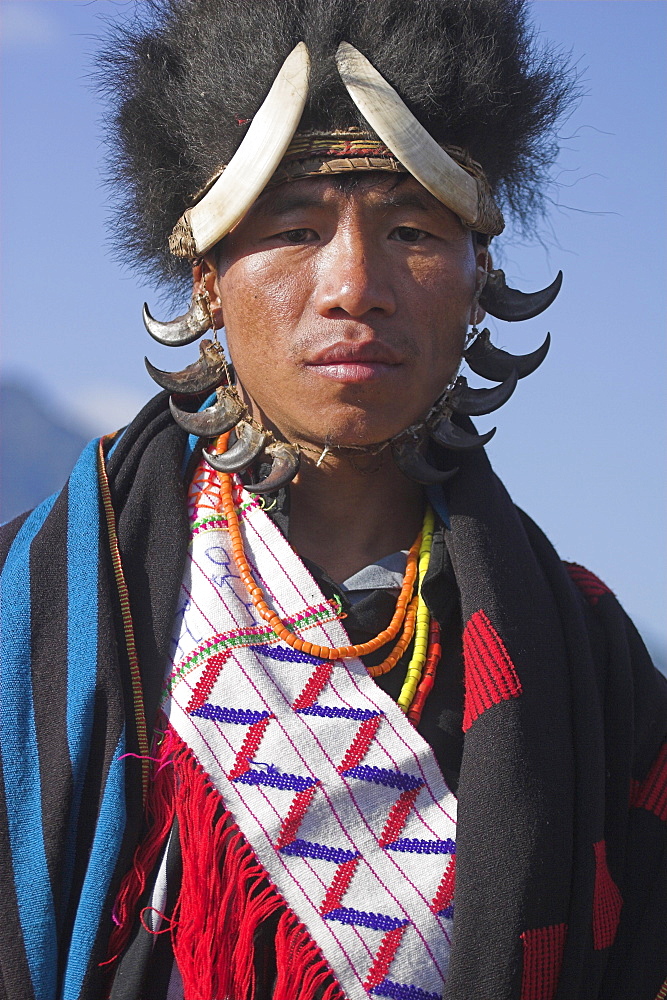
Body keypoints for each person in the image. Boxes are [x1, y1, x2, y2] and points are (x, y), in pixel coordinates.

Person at [1, 2, 665, 999]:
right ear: (207, 277)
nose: (354, 284)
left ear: (478, 277)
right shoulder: (43, 611)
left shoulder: (591, 670)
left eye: (411, 228)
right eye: (296, 228)